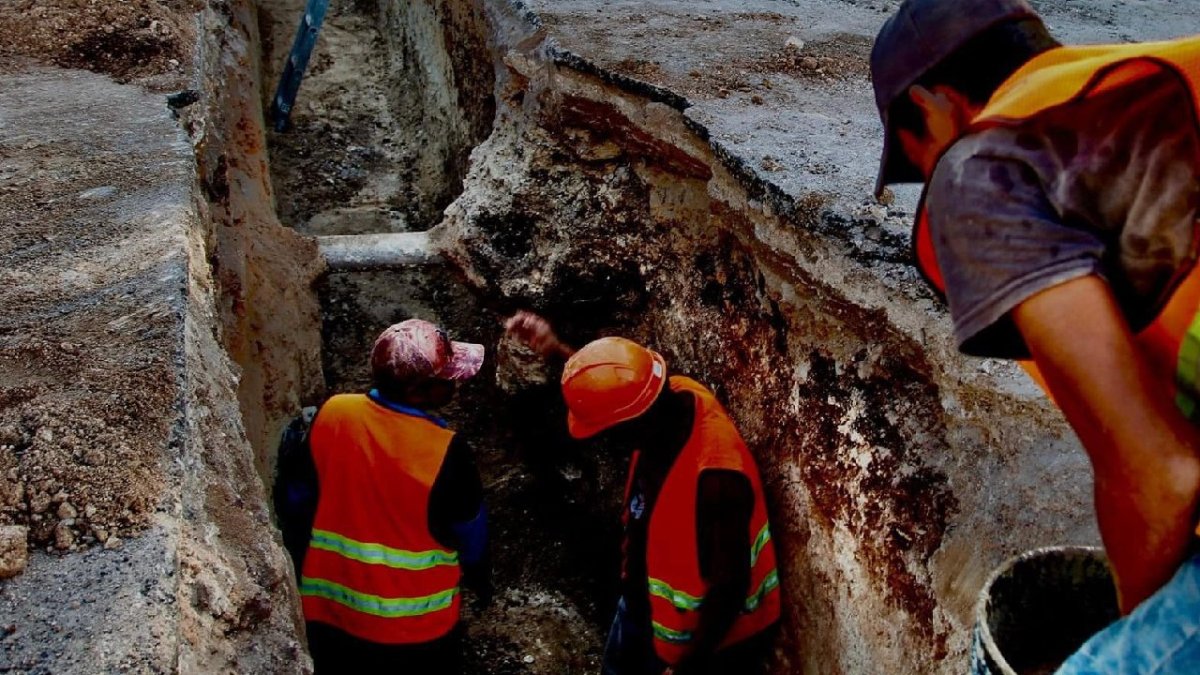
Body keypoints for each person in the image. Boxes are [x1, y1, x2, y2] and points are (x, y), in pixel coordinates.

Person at [871, 0, 1200, 670]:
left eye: (922, 160)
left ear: (939, 107)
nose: (936, 181)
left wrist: (1137, 626)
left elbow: (1159, 473)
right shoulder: (1149, 82)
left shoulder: (980, 166)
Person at [505, 311, 780, 675]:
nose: (605, 442)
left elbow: (729, 588)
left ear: (632, 426)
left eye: (606, 433)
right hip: (640, 606)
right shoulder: (668, 396)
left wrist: (687, 668)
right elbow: (619, 385)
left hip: (699, 644)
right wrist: (558, 351)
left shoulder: (716, 478)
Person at [284, 319, 491, 672]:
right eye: (446, 380)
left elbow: (297, 501)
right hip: (417, 631)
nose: (455, 383)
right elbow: (471, 539)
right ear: (419, 392)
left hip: (330, 614)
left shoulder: (333, 413)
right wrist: (481, 578)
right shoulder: (446, 451)